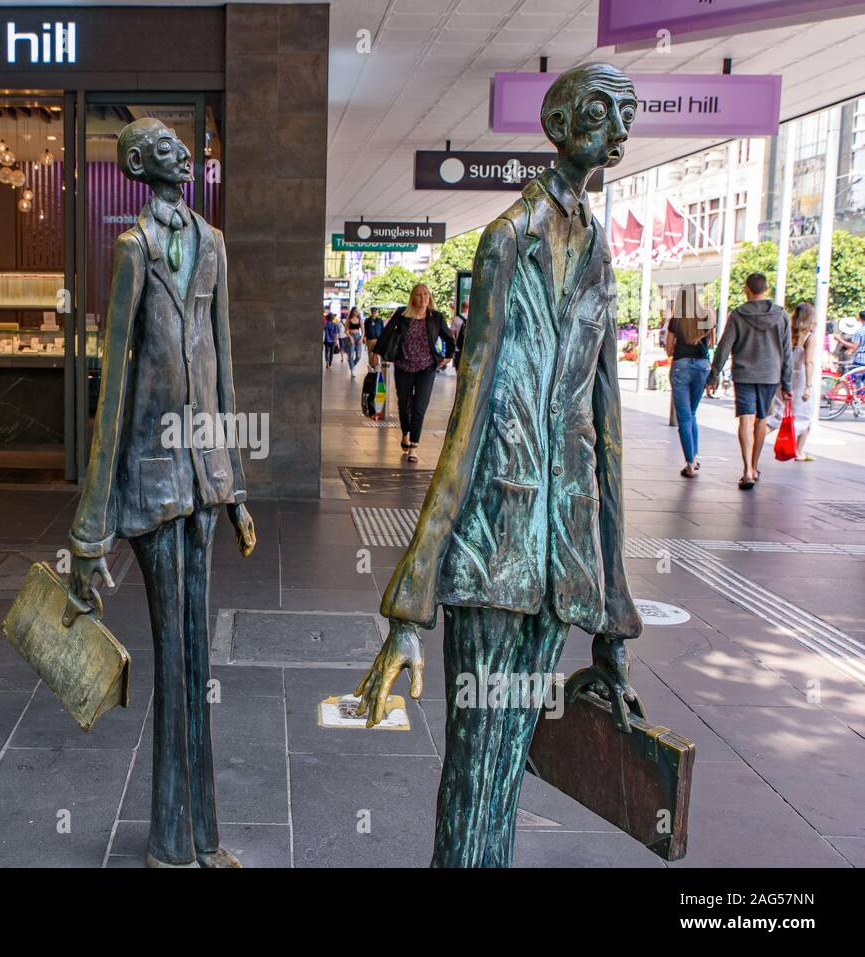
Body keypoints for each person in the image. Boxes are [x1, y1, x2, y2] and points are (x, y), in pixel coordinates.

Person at [355, 63, 643, 868]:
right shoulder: (507, 240)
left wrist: (612, 617)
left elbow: (607, 427)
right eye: (601, 111)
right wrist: (410, 605)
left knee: (509, 770)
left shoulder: (597, 250)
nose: (619, 129)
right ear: (557, 122)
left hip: (561, 556)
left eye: (628, 115)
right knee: (475, 767)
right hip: (493, 548)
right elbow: (470, 412)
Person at [67, 118, 254, 868]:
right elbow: (112, 384)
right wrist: (90, 528)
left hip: (204, 480)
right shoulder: (132, 248)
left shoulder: (212, 244)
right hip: (149, 481)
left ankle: (200, 836)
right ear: (141, 166)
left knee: (197, 663)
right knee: (176, 662)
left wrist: (234, 484)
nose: (183, 150)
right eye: (165, 145)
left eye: (184, 142)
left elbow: (225, 367)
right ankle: (172, 839)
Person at [707, 272, 792, 490]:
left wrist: (714, 375)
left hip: (744, 374)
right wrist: (787, 383)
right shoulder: (781, 315)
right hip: (770, 374)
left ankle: (746, 470)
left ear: (747, 289)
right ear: (766, 289)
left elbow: (724, 347)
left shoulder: (738, 315)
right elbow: (787, 351)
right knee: (761, 419)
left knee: (745, 418)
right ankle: (754, 466)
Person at [372, 282, 454, 463]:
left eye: (426, 294)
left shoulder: (436, 317)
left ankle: (414, 447)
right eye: (418, 294)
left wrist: (449, 356)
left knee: (419, 407)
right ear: (412, 297)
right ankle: (406, 433)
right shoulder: (402, 314)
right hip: (404, 366)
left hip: (427, 367)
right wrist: (375, 352)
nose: (423, 297)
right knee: (404, 404)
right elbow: (386, 333)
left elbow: (449, 337)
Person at [664, 287, 713, 478]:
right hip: (702, 366)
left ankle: (690, 463)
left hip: (681, 366)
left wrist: (677, 346)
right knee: (692, 413)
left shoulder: (676, 321)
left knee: (684, 416)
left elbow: (669, 349)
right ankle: (694, 457)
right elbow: (710, 343)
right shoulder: (705, 318)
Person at [768, 302, 817, 461]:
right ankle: (798, 451)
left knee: (778, 415)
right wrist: (809, 386)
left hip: (783, 376)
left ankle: (757, 435)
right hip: (801, 379)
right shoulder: (810, 337)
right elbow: (808, 362)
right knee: (804, 416)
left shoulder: (786, 333)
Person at [345, 306, 364, 377]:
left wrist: (361, 338)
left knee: (359, 356)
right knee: (351, 355)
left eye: (357, 311)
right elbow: (346, 331)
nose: (356, 312)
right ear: (352, 312)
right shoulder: (349, 319)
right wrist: (350, 337)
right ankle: (352, 370)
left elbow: (363, 331)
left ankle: (352, 365)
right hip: (351, 336)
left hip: (358, 336)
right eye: (355, 311)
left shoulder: (360, 319)